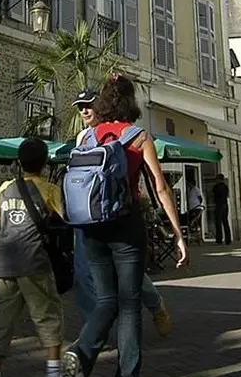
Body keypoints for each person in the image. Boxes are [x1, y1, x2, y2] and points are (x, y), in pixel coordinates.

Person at [59, 75, 187, 377]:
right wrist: (177, 233)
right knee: (129, 305)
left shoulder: (86, 136)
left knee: (105, 300)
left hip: (90, 227)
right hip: (126, 226)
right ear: (131, 102)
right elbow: (160, 187)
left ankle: (80, 353)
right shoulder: (138, 137)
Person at [71, 88, 172, 339]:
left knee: (129, 277)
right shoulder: (83, 137)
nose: (84, 110)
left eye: (89, 105)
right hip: (88, 216)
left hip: (121, 212)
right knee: (83, 275)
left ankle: (154, 304)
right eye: (80, 107)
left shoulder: (127, 134)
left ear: (102, 106)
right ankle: (93, 331)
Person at [0, 138, 64, 377]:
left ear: (18, 163)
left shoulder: (5, 188)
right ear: (45, 164)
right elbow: (68, 217)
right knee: (48, 318)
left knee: (1, 326)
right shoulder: (49, 189)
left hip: (3, 266)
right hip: (35, 264)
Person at [212, 174, 231, 245]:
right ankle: (228, 239)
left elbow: (214, 194)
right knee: (225, 222)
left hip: (219, 205)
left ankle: (219, 239)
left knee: (218, 222)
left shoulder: (217, 187)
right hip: (225, 205)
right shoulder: (225, 186)